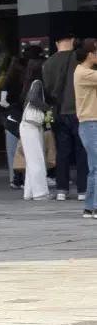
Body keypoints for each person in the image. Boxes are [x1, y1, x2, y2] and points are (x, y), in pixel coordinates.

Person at [43, 33, 89, 202]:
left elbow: (47, 89)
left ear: (56, 43)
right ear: (72, 41)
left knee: (62, 152)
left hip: (58, 111)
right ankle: (83, 190)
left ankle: (62, 189)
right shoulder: (79, 60)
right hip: (78, 110)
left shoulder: (48, 63)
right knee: (81, 151)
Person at [18, 57, 50, 201]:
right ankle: (40, 192)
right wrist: (47, 108)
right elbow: (34, 99)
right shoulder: (37, 83)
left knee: (32, 160)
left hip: (27, 125)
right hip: (32, 126)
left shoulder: (29, 83)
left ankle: (29, 192)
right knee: (37, 159)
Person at [74, 38, 97, 219]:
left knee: (93, 168)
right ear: (90, 55)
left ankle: (89, 207)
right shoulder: (85, 73)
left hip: (89, 124)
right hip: (91, 123)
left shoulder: (85, 71)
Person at [0, 56, 25, 189]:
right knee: (25, 149)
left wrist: (10, 108)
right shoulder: (26, 81)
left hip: (11, 118)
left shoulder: (7, 81)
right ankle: (23, 178)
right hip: (24, 116)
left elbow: (2, 102)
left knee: (12, 150)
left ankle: (13, 178)